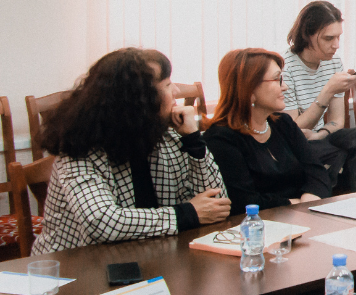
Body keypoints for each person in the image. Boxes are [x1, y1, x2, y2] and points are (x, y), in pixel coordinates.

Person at [32, 48, 230, 254]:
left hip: (149, 257)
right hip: (73, 269)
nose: (177, 92)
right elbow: (102, 222)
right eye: (168, 85)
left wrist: (194, 142)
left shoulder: (167, 135)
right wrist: (186, 214)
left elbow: (218, 205)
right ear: (139, 99)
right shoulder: (78, 148)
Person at [205, 49, 334, 213]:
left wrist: (307, 203)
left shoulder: (283, 123)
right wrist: (295, 204)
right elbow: (243, 201)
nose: (285, 87)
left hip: (302, 215)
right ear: (249, 88)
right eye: (277, 79)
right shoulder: (221, 138)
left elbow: (317, 172)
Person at [281, 1, 356, 192]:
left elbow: (337, 122)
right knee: (338, 154)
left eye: (338, 38)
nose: (336, 45)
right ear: (308, 36)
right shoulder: (285, 68)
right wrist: (328, 90)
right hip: (294, 142)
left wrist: (319, 134)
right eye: (329, 38)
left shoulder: (334, 62)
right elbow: (293, 130)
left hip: (320, 136)